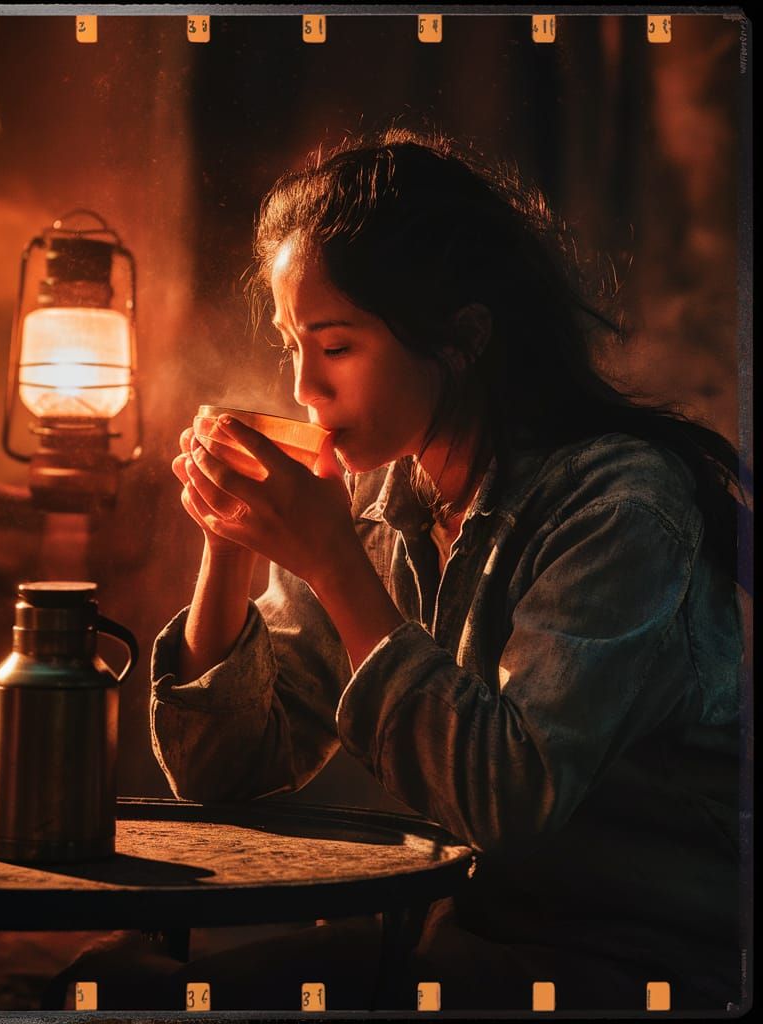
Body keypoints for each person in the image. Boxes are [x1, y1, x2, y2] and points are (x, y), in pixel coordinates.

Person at [55, 127, 747, 1012]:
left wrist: (333, 560)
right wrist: (229, 543)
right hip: (462, 938)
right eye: (292, 345)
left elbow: (509, 797)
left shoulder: (620, 507)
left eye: (336, 347)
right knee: (104, 984)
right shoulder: (389, 504)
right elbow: (226, 772)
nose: (305, 388)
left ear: (460, 339)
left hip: (639, 962)